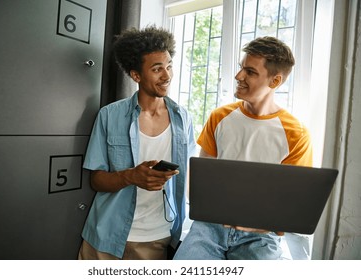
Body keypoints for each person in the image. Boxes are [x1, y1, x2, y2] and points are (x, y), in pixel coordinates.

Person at [173, 36, 313, 260]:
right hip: (210, 228)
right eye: (241, 68)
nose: (239, 76)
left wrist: (267, 222)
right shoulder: (219, 117)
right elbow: (199, 184)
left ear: (275, 81)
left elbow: (293, 206)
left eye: (250, 71)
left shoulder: (296, 134)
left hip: (260, 237)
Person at [78, 26, 196, 260]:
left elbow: (190, 177)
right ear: (136, 75)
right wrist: (131, 176)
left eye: (169, 66)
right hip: (105, 236)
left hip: (157, 238)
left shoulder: (184, 119)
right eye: (157, 69)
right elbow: (96, 180)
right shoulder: (109, 115)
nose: (167, 75)